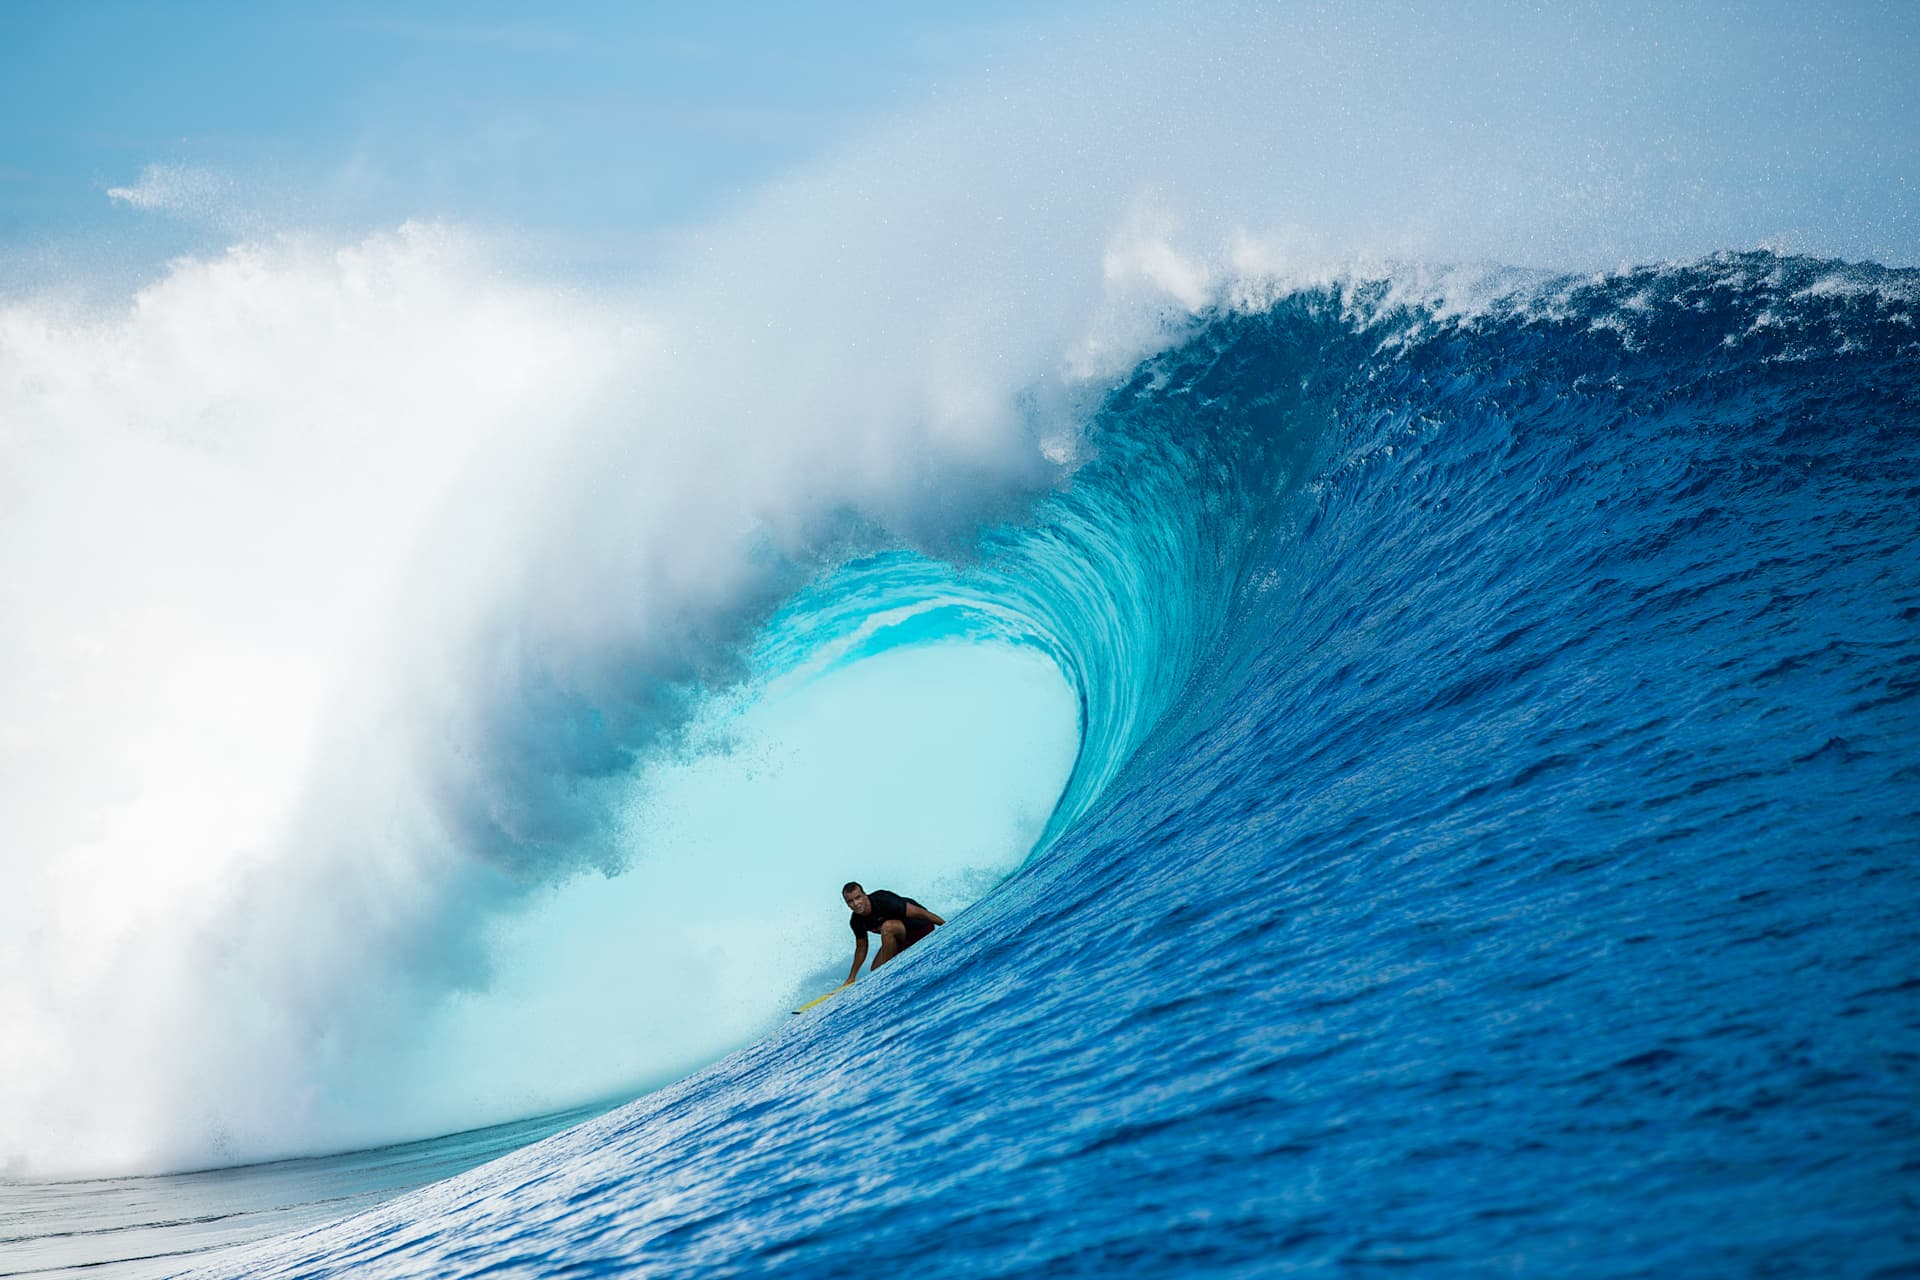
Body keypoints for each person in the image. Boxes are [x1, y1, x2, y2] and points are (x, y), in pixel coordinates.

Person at [841, 881, 945, 985]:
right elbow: (861, 948)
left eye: (858, 897)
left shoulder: (883, 900)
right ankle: (888, 972)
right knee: (875, 969)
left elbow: (920, 912)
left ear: (864, 895)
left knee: (887, 927)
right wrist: (852, 977)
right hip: (904, 939)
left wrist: (946, 926)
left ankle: (886, 974)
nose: (855, 904)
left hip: (922, 928)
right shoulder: (856, 921)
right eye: (850, 901)